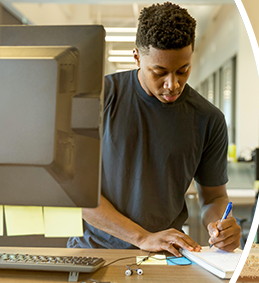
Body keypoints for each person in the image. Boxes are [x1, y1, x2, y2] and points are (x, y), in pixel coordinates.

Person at [67, 2, 241, 256]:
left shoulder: (208, 119)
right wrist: (141, 237)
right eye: (159, 72)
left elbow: (214, 198)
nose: (173, 84)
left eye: (183, 70)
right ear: (137, 56)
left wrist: (221, 227)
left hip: (165, 256)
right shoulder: (99, 98)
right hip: (94, 252)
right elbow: (76, 191)